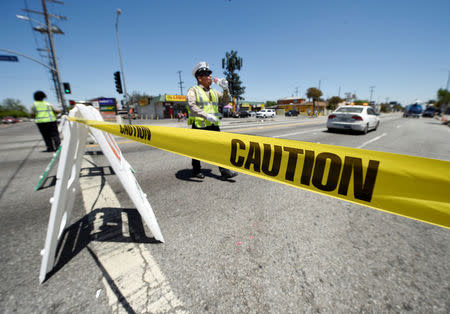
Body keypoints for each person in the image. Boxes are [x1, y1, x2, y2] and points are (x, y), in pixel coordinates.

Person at [186, 61, 238, 180]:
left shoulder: (214, 92)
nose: (210, 76)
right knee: (196, 150)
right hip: (199, 125)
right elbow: (191, 106)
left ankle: (225, 171)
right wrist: (206, 115)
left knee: (220, 147)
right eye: (206, 74)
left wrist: (225, 89)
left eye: (209, 74)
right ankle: (196, 170)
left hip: (213, 125)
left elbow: (225, 101)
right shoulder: (193, 90)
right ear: (199, 78)